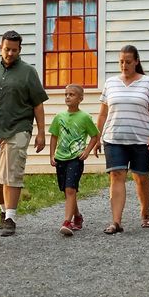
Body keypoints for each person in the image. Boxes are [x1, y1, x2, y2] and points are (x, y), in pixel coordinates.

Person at [0, 30, 48, 236]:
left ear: (20, 50)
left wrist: (41, 132)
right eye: (6, 49)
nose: (10, 53)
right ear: (0, 47)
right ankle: (3, 210)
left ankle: (10, 217)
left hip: (18, 128)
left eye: (14, 50)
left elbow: (37, 104)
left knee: (11, 173)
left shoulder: (28, 72)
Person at [93, 45, 149, 234]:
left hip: (141, 139)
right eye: (121, 62)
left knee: (140, 177)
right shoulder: (111, 83)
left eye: (128, 62)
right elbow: (102, 114)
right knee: (116, 176)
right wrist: (96, 137)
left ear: (136, 62)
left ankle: (145, 213)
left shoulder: (147, 83)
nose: (124, 65)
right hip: (114, 138)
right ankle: (116, 221)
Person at [47, 83, 99, 237]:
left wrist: (87, 151)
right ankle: (77, 216)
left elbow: (95, 136)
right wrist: (51, 155)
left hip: (76, 158)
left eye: (72, 94)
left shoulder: (84, 117)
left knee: (71, 189)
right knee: (66, 190)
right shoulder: (59, 117)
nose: (68, 97)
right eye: (66, 94)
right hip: (60, 157)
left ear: (80, 98)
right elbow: (54, 136)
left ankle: (66, 222)